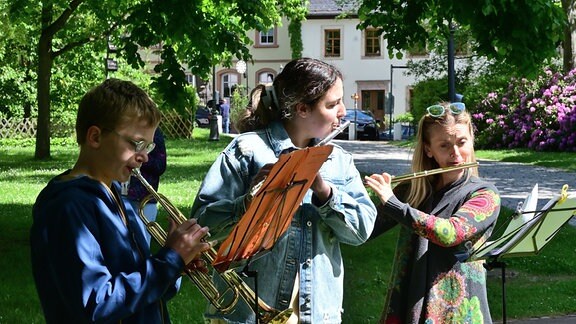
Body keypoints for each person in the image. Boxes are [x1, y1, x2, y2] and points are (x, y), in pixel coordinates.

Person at [190, 57, 377, 323]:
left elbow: (361, 232)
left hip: (316, 314)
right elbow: (201, 226)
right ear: (302, 109)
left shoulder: (339, 161)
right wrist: (248, 202)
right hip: (247, 312)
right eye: (333, 104)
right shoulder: (247, 151)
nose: (343, 112)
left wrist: (325, 192)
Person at [30, 78, 212, 323]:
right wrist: (169, 260)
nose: (144, 157)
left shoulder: (119, 199)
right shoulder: (68, 207)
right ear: (95, 137)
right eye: (136, 143)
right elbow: (96, 304)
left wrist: (175, 265)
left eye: (148, 145)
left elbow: (140, 298)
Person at [364, 102, 501, 323]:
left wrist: (393, 203)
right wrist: (335, 194)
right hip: (409, 300)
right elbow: (365, 229)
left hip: (456, 311)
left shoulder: (485, 195)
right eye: (444, 146)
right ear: (429, 149)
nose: (456, 154)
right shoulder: (412, 190)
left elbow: (449, 233)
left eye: (462, 142)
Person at [121, 127, 167, 246]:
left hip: (143, 197)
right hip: (119, 195)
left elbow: (160, 165)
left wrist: (138, 159)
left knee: (142, 245)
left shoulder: (154, 132)